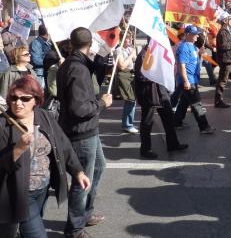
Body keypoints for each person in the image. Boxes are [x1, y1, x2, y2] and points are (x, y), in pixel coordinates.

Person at [0, 76, 91, 238]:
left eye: (24, 99)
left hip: (43, 188)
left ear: (36, 100)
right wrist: (18, 149)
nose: (17, 103)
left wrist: (78, 172)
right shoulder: (3, 124)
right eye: (13, 98)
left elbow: (63, 145)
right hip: (19, 192)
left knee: (24, 228)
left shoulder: (44, 116)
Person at [56, 27, 113, 238]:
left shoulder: (76, 64)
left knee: (99, 166)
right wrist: (102, 104)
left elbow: (94, 68)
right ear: (89, 44)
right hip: (81, 132)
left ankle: (86, 213)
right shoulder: (76, 68)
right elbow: (79, 108)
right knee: (83, 179)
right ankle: (75, 228)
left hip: (89, 129)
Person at [135, 42, 187, 159]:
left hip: (161, 93)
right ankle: (145, 149)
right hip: (149, 94)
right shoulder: (144, 54)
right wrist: (156, 74)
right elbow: (140, 75)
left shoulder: (158, 54)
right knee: (147, 122)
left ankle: (173, 144)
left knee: (169, 119)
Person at [173, 25, 215, 134]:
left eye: (197, 33)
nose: (197, 35)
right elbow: (181, 65)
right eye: (194, 34)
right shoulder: (183, 47)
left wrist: (200, 53)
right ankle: (204, 127)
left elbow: (195, 60)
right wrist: (186, 81)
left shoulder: (192, 46)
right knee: (197, 104)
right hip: (188, 81)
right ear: (187, 35)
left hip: (193, 79)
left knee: (184, 102)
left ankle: (176, 122)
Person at [114, 33, 138, 134]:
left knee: (132, 100)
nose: (130, 40)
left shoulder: (130, 48)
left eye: (131, 38)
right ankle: (127, 124)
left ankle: (128, 123)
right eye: (128, 38)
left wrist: (134, 56)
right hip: (123, 75)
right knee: (130, 99)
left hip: (131, 74)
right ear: (122, 39)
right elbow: (122, 66)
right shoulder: (118, 50)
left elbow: (134, 60)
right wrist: (131, 56)